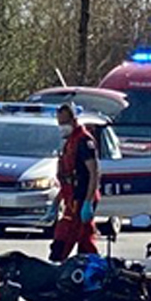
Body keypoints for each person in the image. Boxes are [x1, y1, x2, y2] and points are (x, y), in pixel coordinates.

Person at [49, 103, 101, 263]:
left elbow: (94, 172)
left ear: (74, 120)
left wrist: (88, 201)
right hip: (71, 197)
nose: (62, 127)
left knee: (74, 236)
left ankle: (86, 267)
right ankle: (77, 265)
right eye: (60, 123)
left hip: (82, 196)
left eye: (64, 123)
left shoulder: (84, 141)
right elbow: (67, 178)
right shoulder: (70, 142)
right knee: (74, 237)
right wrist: (56, 203)